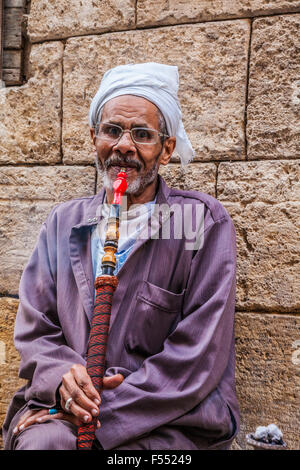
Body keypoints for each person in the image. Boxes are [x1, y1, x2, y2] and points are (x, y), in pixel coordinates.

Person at [3, 63, 240, 450]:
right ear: (94, 137)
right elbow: (35, 330)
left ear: (166, 150)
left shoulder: (202, 222)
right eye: (112, 130)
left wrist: (95, 412)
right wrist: (63, 378)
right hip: (64, 408)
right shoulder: (64, 222)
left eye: (142, 135)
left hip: (169, 418)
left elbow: (198, 355)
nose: (123, 146)